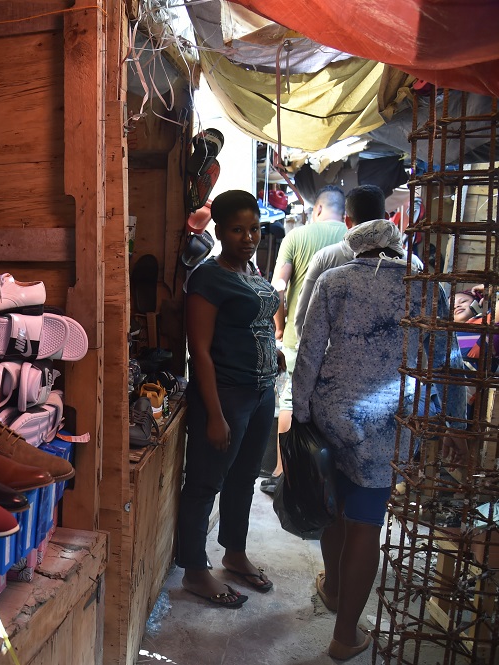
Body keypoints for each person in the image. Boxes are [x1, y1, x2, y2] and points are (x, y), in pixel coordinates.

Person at [293, 219, 467, 660]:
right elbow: (445, 359)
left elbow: (310, 351)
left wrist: (299, 414)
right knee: (367, 522)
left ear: (356, 249)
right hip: (390, 419)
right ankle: (345, 635)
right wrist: (456, 423)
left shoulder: (335, 280)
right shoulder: (425, 286)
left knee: (333, 507)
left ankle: (333, 589)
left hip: (332, 410)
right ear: (395, 245)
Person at [177, 190, 284, 608]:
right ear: (220, 231)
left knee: (244, 479)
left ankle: (234, 554)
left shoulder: (252, 271)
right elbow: (199, 349)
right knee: (205, 483)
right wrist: (215, 415)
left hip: (260, 394)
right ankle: (194, 571)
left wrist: (270, 353)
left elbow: (256, 322)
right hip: (225, 396)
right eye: (238, 230)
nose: (248, 237)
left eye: (254, 228)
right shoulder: (208, 277)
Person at [265, 186, 347, 492]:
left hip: (299, 338)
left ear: (317, 209)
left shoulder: (297, 237)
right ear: (344, 213)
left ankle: (281, 472)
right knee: (327, 404)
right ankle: (320, 477)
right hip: (337, 342)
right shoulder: (352, 241)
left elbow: (278, 286)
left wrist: (279, 324)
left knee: (290, 398)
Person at [293, 185, 424, 340]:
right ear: (387, 217)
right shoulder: (412, 264)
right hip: (397, 363)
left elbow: (303, 323)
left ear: (347, 221)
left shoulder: (325, 259)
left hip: (338, 362)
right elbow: (422, 325)